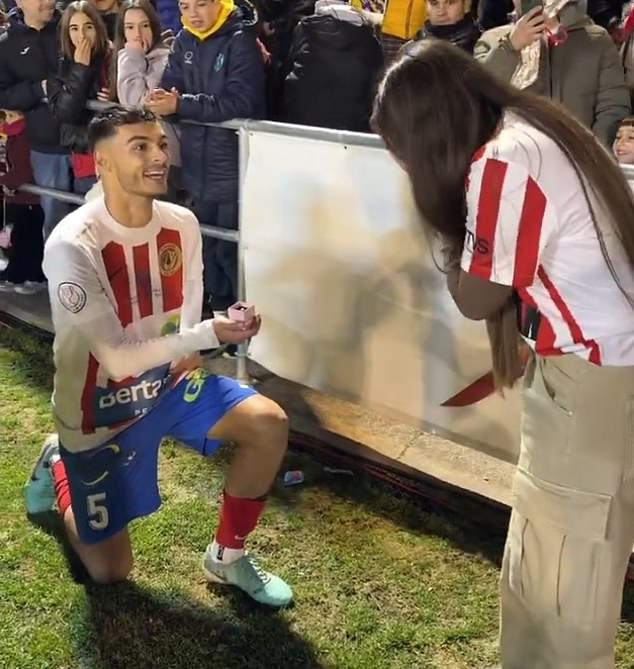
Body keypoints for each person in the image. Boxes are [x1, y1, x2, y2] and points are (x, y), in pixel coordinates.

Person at [372, 39, 634, 669]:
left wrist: (443, 230)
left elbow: (477, 295)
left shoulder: (504, 161)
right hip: (595, 373)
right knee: (551, 553)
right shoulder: (541, 127)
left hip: (591, 377)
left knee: (566, 579)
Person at [24, 108, 293, 608]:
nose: (158, 157)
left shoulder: (182, 223)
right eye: (140, 147)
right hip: (96, 410)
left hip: (166, 387)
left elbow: (188, 310)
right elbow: (117, 360)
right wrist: (210, 331)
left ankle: (227, 556)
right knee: (111, 572)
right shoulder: (71, 245)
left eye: (160, 144)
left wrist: (210, 334)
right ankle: (60, 460)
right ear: (101, 162)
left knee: (267, 422)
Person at [147, 0, 266, 315]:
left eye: (201, 4)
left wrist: (180, 106)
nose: (193, 14)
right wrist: (161, 102)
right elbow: (173, 90)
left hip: (233, 168)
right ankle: (219, 321)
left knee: (230, 250)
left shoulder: (240, 39)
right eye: (185, 6)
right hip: (197, 166)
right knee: (207, 248)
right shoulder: (184, 39)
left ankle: (242, 329)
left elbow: (243, 102)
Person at [474, 0, 631, 147]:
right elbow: (477, 97)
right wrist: (510, 47)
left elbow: (613, 107)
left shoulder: (596, 40)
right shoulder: (493, 40)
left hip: (580, 160)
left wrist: (593, 155)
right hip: (513, 160)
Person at [0, 0, 72, 239]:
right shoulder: (7, 45)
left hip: (88, 143)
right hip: (46, 147)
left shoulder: (74, 26)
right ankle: (58, 276)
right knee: (56, 224)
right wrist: (37, 90)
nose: (49, 1)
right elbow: (3, 94)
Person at [282, 0, 384, 132]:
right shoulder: (369, 42)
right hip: (350, 128)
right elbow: (374, 90)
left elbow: (287, 71)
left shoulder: (303, 31)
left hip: (302, 121)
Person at [114, 0, 181, 195]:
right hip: (135, 156)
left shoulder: (164, 59)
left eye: (144, 26)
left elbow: (135, 103)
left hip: (165, 159)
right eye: (130, 27)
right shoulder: (124, 58)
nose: (138, 34)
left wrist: (132, 56)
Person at [48, 1, 112, 196]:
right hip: (85, 157)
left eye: (88, 27)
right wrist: (80, 69)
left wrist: (113, 98)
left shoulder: (114, 57)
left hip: (114, 154)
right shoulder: (59, 63)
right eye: (74, 28)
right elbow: (65, 112)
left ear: (98, 29)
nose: (81, 35)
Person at [0, 108, 46, 293]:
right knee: (22, 237)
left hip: (28, 199)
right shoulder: (14, 136)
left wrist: (4, 181)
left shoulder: (23, 138)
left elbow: (24, 170)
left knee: (28, 238)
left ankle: (28, 275)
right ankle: (17, 273)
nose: (8, 121)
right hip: (19, 197)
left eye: (12, 116)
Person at [414, 0, 480, 53]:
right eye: (434, 3)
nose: (441, 12)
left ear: (466, 4)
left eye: (450, 2)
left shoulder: (481, 49)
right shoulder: (412, 47)